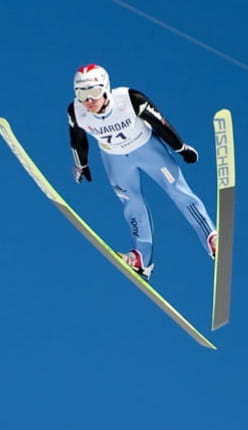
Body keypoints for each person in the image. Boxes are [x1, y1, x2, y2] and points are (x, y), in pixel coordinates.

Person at [66, 64, 216, 280]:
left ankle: (211, 237)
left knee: (177, 190)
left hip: (147, 149)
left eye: (93, 92)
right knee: (132, 203)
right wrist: (82, 164)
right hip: (115, 159)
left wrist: (180, 147)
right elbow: (77, 139)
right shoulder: (76, 110)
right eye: (82, 93)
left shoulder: (130, 99)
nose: (88, 100)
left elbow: (160, 123)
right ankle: (140, 259)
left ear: (105, 88)